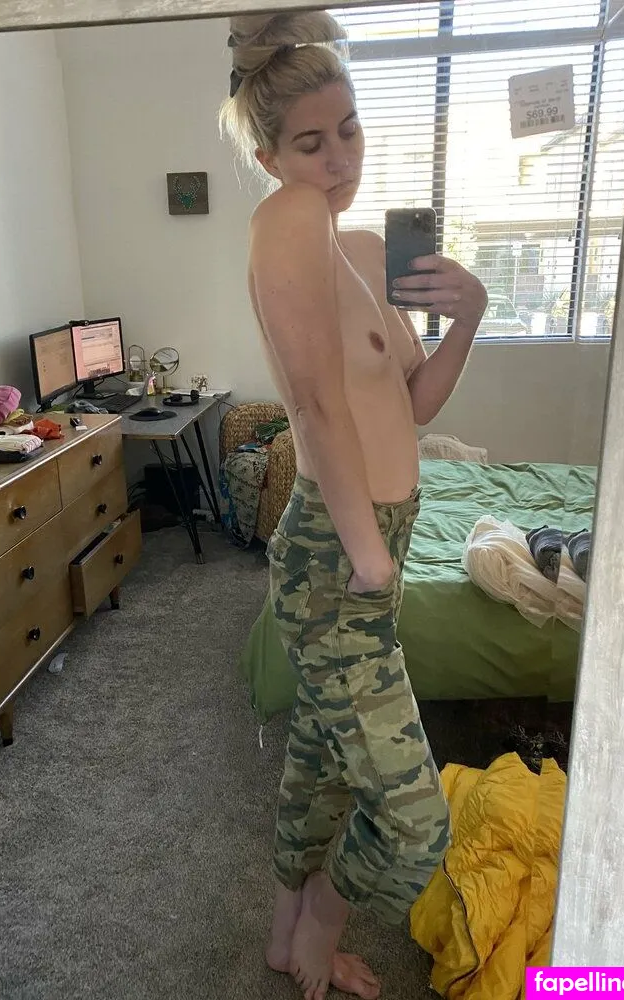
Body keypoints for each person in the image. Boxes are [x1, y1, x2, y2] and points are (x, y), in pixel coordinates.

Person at [221, 12, 487, 1000]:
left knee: (326, 761)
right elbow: (316, 403)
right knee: (415, 821)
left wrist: (470, 317)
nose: (338, 159)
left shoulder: (365, 248)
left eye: (350, 129)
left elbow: (412, 405)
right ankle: (319, 932)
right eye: (309, 143)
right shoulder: (287, 217)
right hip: (340, 552)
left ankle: (282, 928)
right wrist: (369, 554)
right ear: (268, 157)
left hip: (374, 543)